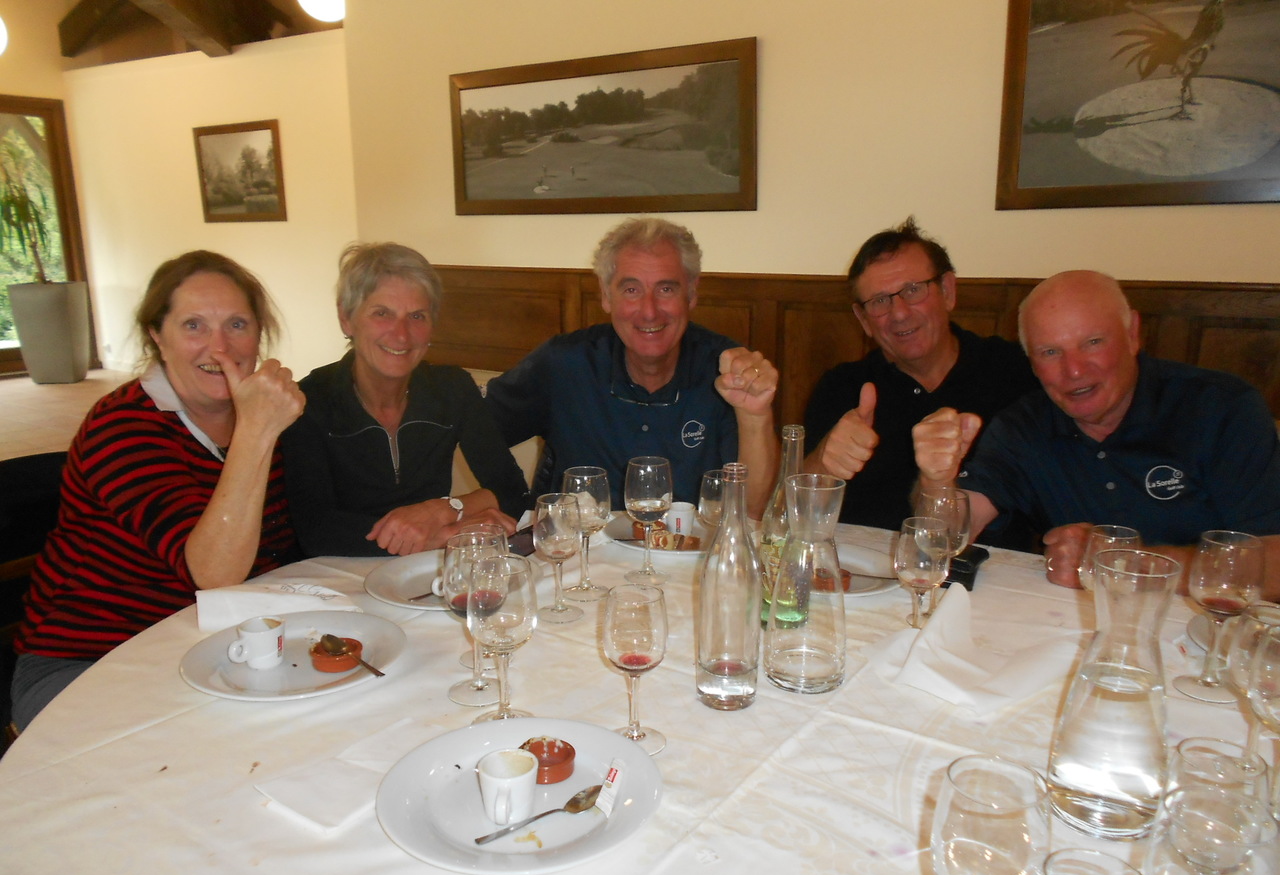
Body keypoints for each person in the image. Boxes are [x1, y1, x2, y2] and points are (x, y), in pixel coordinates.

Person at [11, 251, 304, 729]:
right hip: (88, 663)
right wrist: (256, 432)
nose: (219, 347)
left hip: (214, 648)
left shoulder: (262, 415)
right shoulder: (123, 426)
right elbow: (214, 572)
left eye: (237, 325)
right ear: (157, 337)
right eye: (193, 326)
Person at [914, 270, 1280, 597]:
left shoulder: (1222, 409)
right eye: (1050, 352)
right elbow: (946, 538)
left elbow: (1275, 565)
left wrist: (1127, 564)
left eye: (1093, 342)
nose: (1074, 370)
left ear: (1132, 334)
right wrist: (937, 478)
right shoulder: (1023, 426)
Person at [484, 217, 779, 515]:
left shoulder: (728, 373)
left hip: (691, 545)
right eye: (631, 290)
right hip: (577, 544)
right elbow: (477, 425)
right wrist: (502, 498)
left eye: (666, 289)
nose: (649, 311)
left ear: (691, 293)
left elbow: (751, 513)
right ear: (605, 295)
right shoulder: (563, 363)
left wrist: (755, 416)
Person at [282, 242, 527, 557]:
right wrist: (445, 535)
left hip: (424, 572)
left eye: (417, 316)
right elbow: (317, 530)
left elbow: (513, 491)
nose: (401, 334)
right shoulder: (309, 401)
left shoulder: (452, 389)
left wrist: (441, 509)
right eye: (382, 313)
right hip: (333, 574)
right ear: (346, 318)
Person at [803, 218, 1039, 532]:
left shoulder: (1016, 373)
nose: (899, 313)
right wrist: (822, 464)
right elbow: (795, 515)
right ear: (863, 319)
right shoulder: (842, 387)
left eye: (913, 290)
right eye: (879, 301)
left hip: (986, 562)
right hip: (857, 561)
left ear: (948, 291)